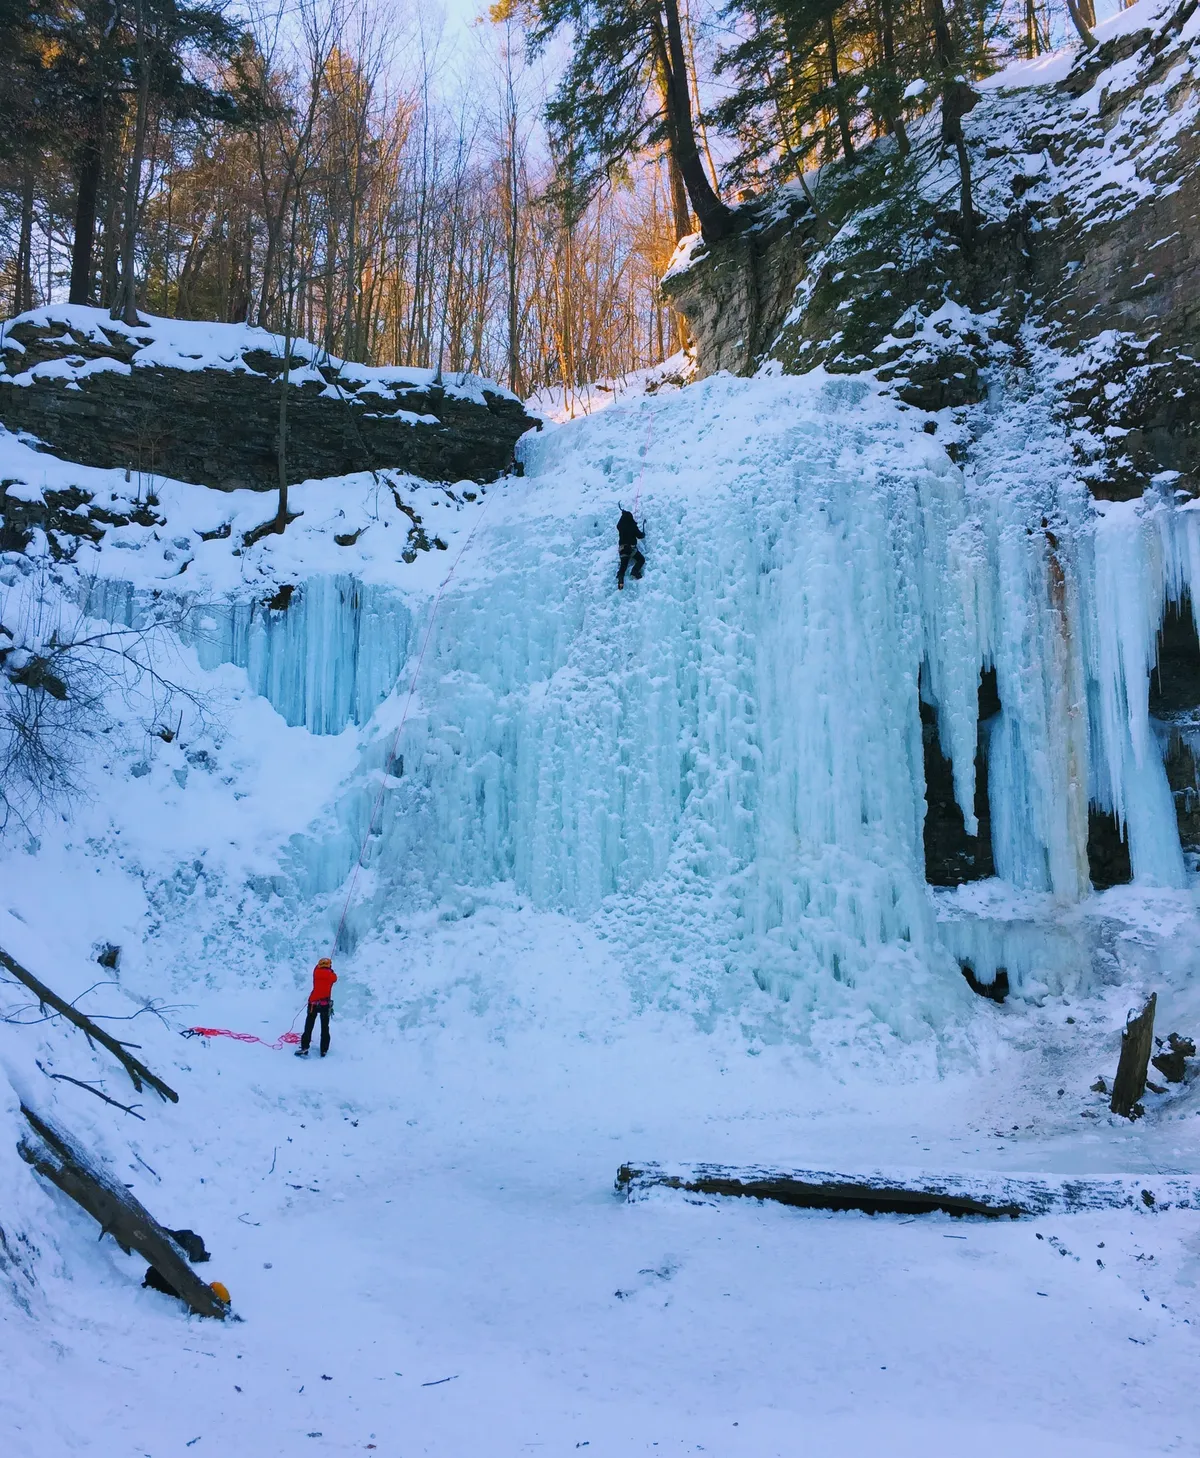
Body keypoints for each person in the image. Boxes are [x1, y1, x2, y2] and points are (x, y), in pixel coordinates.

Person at [296, 956, 337, 1057]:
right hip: (325, 1004)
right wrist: (330, 969)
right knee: (325, 1027)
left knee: (309, 1026)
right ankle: (323, 1050)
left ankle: (305, 1047)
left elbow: (316, 967)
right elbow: (335, 977)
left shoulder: (316, 972)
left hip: (313, 1004)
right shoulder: (331, 976)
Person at [616, 508, 645, 590]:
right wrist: (643, 534)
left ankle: (621, 581)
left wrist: (623, 514)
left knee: (623, 566)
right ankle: (635, 571)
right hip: (631, 549)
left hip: (622, 550)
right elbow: (640, 536)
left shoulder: (620, 527)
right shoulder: (632, 526)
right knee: (641, 560)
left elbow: (619, 524)